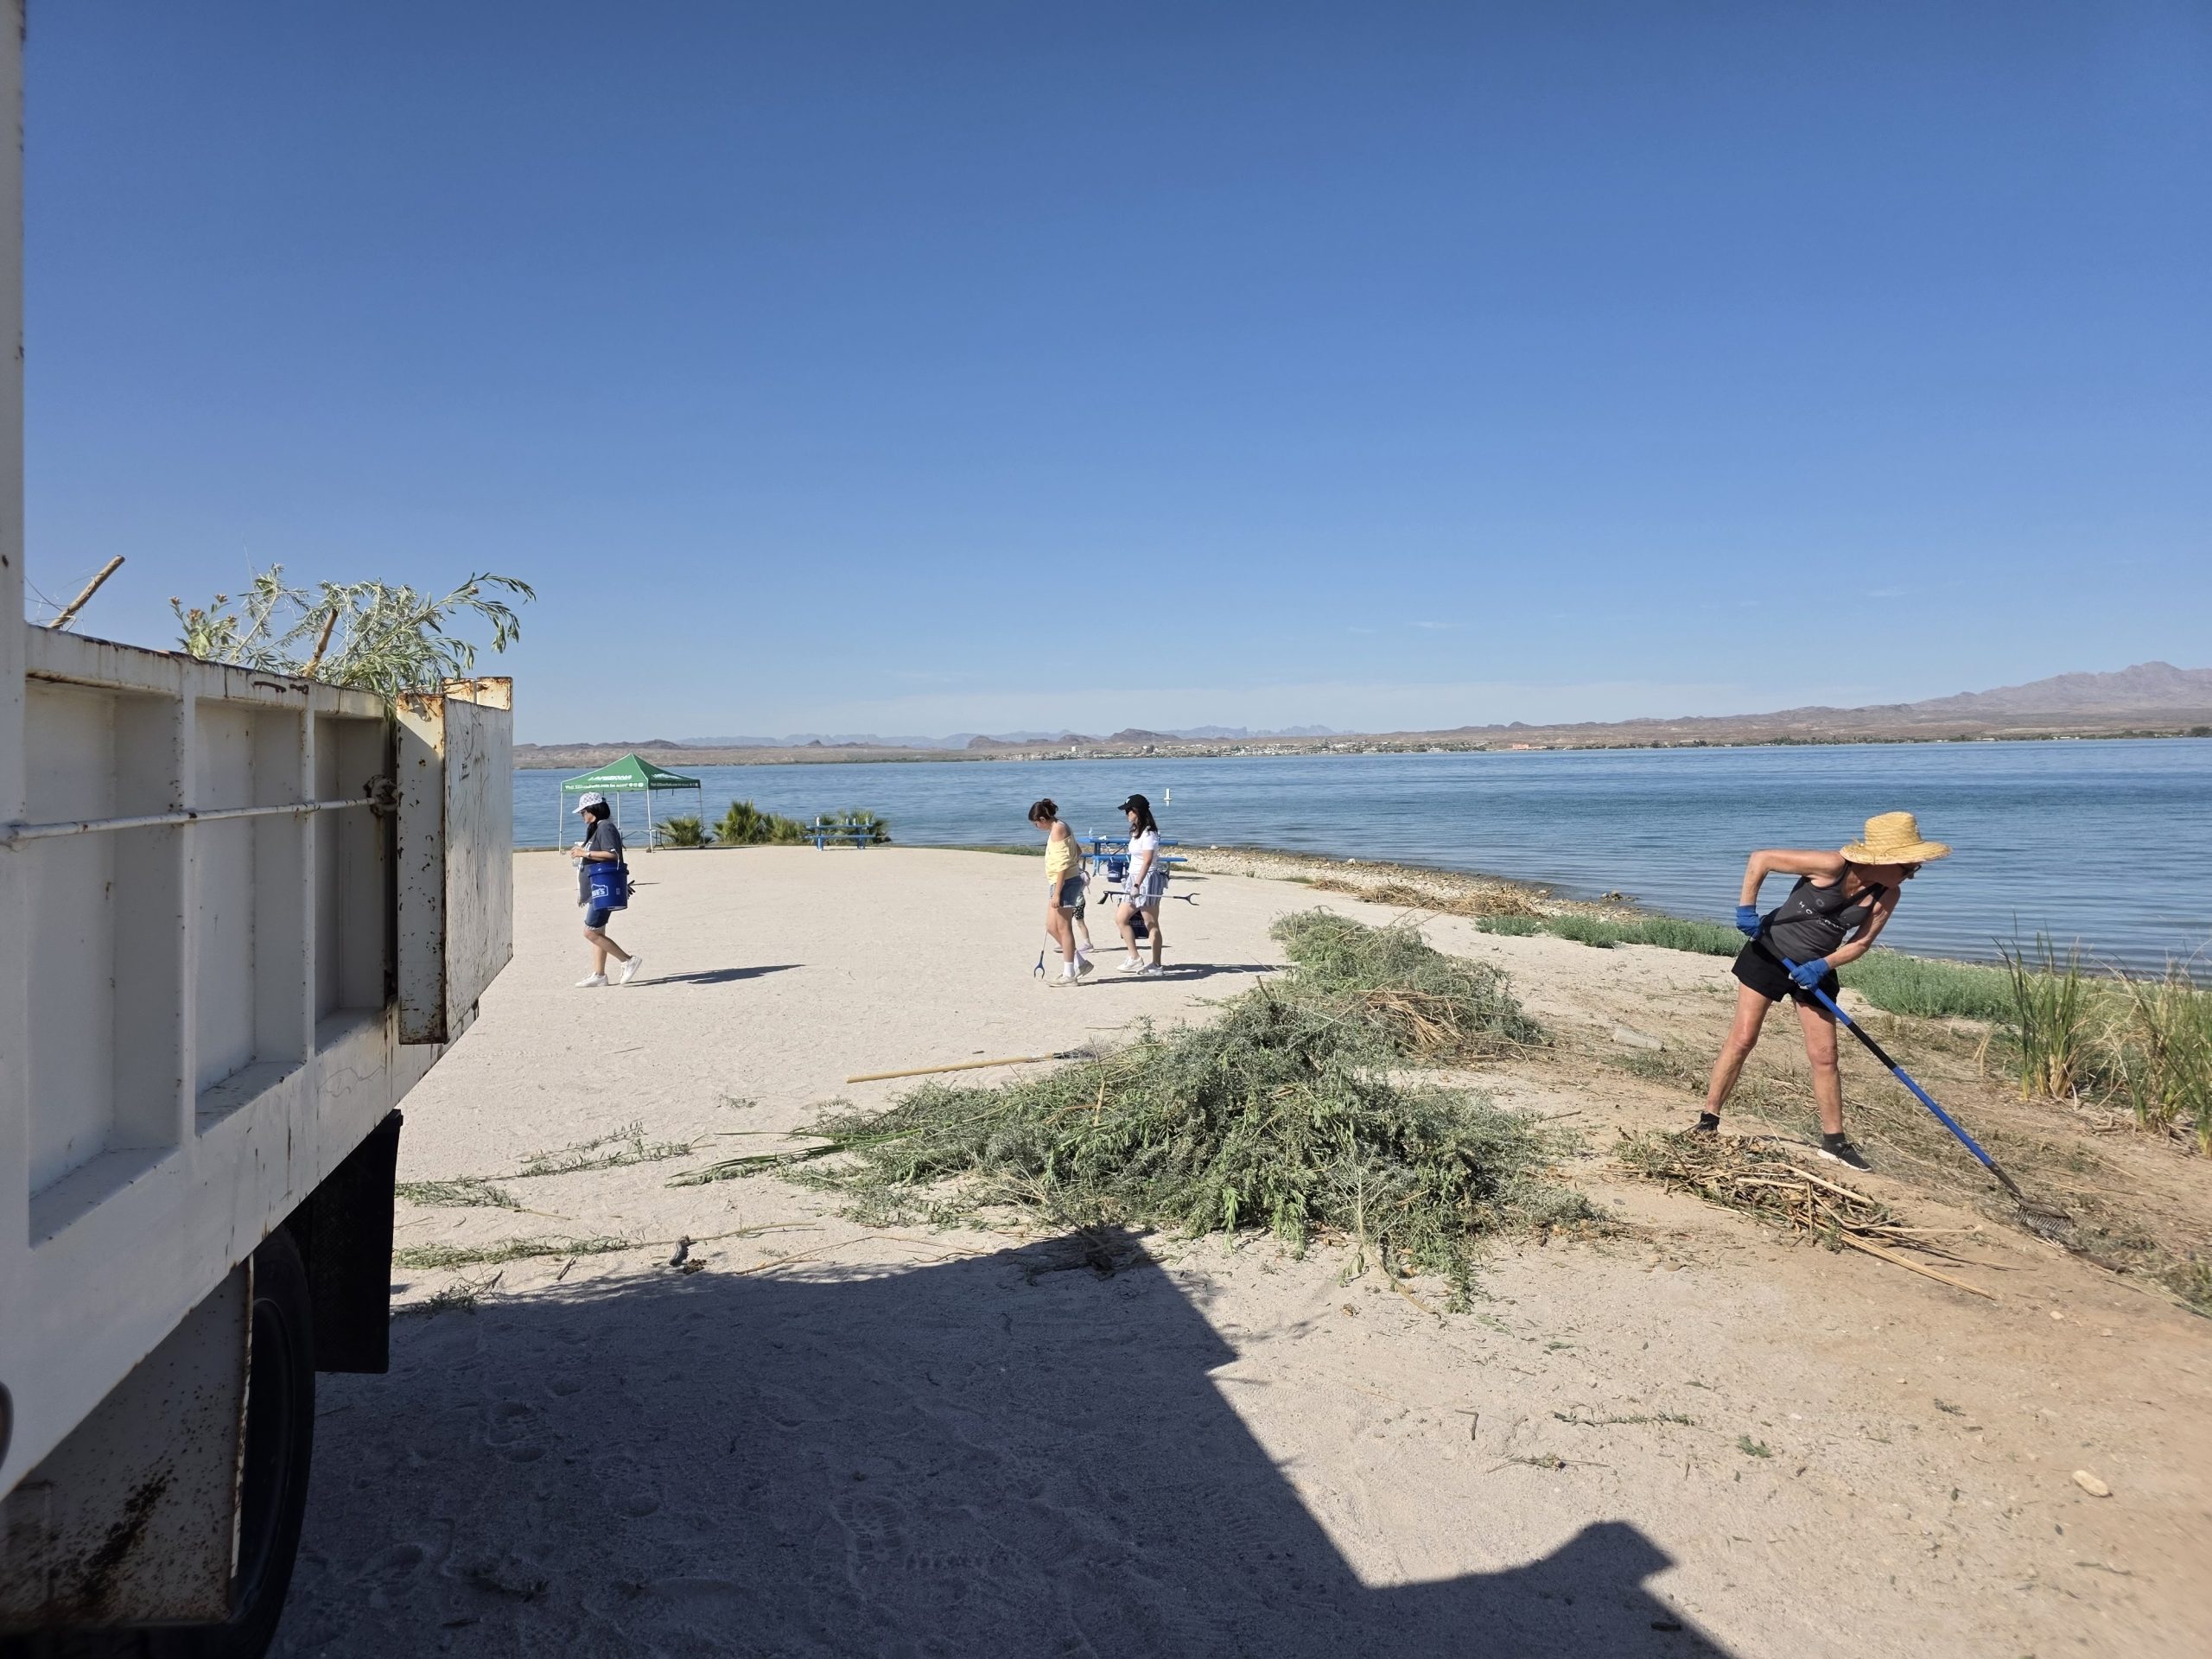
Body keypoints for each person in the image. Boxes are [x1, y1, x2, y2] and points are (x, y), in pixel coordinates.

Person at [1696, 810, 1951, 1167]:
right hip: (1769, 952)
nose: (1912, 872)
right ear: (1883, 860)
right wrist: (1746, 910)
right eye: (1908, 866)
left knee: (1825, 1055)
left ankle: (1834, 1142)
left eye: (1914, 866)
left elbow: (1860, 943)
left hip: (1815, 969)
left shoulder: (1888, 894)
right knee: (1743, 1038)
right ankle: (1709, 1120)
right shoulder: (1831, 866)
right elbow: (1761, 859)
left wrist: (1823, 966)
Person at [571, 791, 645, 988]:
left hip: (603, 888)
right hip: (597, 888)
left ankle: (628, 960)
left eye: (583, 812)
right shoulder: (598, 828)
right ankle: (599, 975)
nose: (582, 816)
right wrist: (583, 892)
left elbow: (612, 855)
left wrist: (584, 853)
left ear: (593, 810)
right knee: (599, 931)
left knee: (590, 932)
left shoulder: (605, 827)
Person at [1029, 798, 1091, 986]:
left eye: (1036, 824)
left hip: (1064, 883)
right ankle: (1080, 962)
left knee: (1064, 928)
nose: (1036, 827)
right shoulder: (1058, 827)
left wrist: (1057, 892)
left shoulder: (1058, 829)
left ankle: (1069, 974)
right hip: (1059, 881)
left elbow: (1063, 864)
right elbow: (1077, 851)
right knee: (1051, 926)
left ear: (1042, 819)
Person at [1116, 792, 1168, 975]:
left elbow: (1147, 861)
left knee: (1150, 923)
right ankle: (1134, 958)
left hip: (1147, 879)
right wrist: (1132, 882)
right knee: (1121, 918)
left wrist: (1137, 885)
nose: (1126, 814)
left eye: (1128, 810)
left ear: (1137, 811)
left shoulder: (1149, 833)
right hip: (1133, 878)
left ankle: (1156, 965)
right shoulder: (1136, 832)